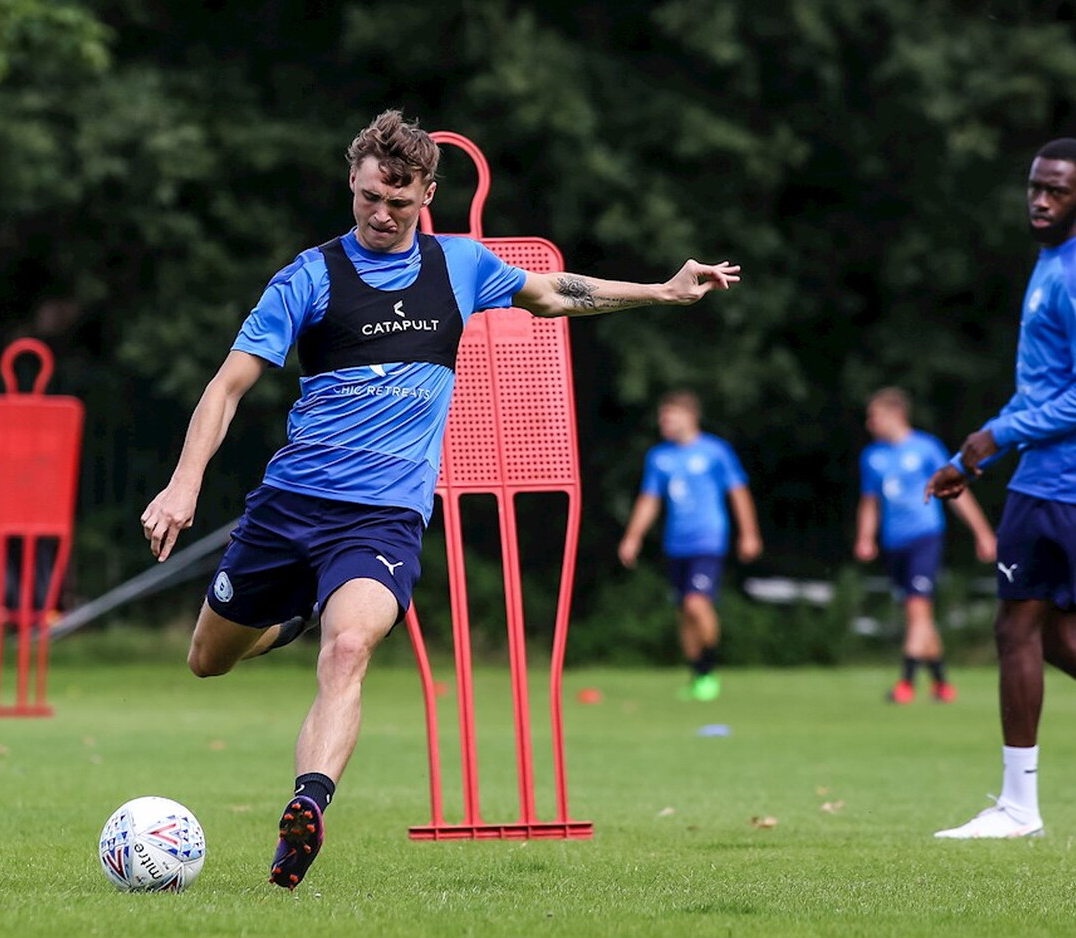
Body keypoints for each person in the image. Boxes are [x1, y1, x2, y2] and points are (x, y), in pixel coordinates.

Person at [140, 109, 743, 887]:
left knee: (349, 649)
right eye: (368, 198)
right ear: (352, 184)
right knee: (207, 660)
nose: (381, 214)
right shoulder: (309, 277)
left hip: (383, 517)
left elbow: (556, 293)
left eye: (399, 202)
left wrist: (662, 290)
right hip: (291, 505)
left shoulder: (460, 265)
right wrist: (183, 483)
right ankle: (289, 619)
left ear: (428, 194)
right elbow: (227, 387)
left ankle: (307, 807)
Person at [926, 137, 1076, 839]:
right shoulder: (1052, 261)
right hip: (1061, 476)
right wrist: (974, 456)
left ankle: (1019, 809)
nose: (1041, 200)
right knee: (1057, 637)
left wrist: (996, 436)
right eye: (1035, 186)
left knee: (1016, 629)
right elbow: (1044, 388)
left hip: (1068, 478)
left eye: (1057, 190)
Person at [617, 390, 761, 701]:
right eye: (662, 417)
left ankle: (709, 669)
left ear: (690, 416)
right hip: (676, 543)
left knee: (697, 603)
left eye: (670, 416)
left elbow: (738, 492)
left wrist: (749, 533)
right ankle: (697, 676)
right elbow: (650, 499)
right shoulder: (659, 457)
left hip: (708, 538)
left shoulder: (715, 451)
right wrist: (632, 537)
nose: (664, 422)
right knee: (684, 611)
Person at [855, 387, 996, 704]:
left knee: (918, 610)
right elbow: (870, 502)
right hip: (894, 542)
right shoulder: (872, 456)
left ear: (896, 414)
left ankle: (905, 683)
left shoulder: (926, 447)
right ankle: (942, 684)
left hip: (925, 537)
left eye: (874, 416)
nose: (870, 423)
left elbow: (957, 492)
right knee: (918, 615)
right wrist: (865, 538)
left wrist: (983, 533)